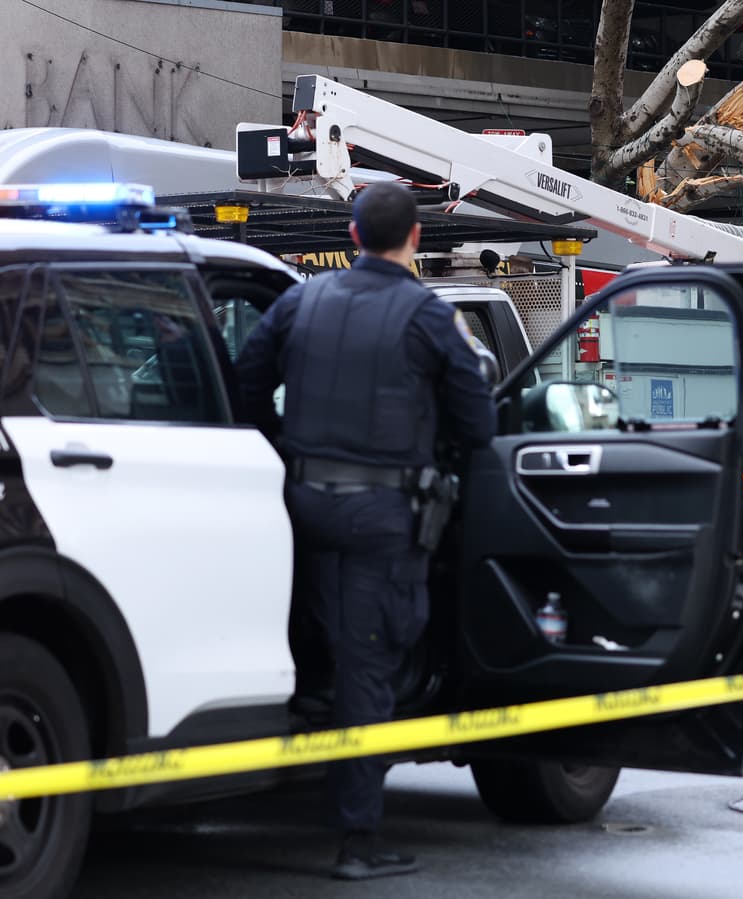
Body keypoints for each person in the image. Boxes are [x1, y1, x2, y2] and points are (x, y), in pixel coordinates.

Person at [236, 181, 497, 880]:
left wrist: (283, 451)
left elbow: (247, 383)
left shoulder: (300, 298)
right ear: (414, 239)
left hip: (297, 505)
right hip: (378, 520)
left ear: (351, 238)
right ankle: (358, 839)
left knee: (315, 639)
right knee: (368, 666)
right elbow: (479, 425)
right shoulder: (425, 314)